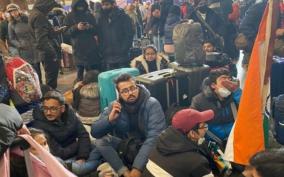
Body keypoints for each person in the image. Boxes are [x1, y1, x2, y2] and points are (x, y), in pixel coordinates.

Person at [91, 73, 166, 177]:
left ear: (138, 87)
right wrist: (109, 120)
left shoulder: (151, 104)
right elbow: (95, 132)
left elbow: (154, 138)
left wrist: (137, 169)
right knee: (100, 141)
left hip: (147, 148)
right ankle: (124, 172)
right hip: (127, 145)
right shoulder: (115, 106)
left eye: (133, 88)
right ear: (119, 94)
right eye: (125, 91)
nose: (130, 93)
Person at [31, 91, 100, 176]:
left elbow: (83, 134)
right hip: (62, 160)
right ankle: (100, 163)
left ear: (62, 108)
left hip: (78, 152)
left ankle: (98, 161)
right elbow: (59, 153)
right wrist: (78, 144)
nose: (48, 113)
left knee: (101, 143)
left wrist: (82, 157)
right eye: (45, 108)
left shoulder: (70, 114)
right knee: (78, 169)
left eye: (53, 109)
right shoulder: (40, 126)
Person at [142, 108, 215, 177]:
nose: (206, 129)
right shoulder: (197, 162)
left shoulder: (158, 146)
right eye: (204, 126)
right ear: (192, 133)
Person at [190, 69, 241, 142]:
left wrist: (237, 91)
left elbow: (248, 111)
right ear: (213, 85)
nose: (228, 84)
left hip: (234, 138)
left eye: (229, 80)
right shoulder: (198, 101)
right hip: (212, 141)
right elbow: (193, 124)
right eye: (223, 80)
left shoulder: (235, 96)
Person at [64, 0, 101, 81]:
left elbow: (96, 31)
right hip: (78, 50)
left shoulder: (89, 15)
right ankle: (79, 91)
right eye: (78, 6)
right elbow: (66, 33)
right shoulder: (69, 17)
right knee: (79, 76)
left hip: (91, 49)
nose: (81, 8)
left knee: (93, 75)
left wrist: (89, 27)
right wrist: (76, 27)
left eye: (82, 6)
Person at [29, 0, 62, 89]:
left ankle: (51, 95)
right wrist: (53, 54)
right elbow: (42, 40)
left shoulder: (34, 13)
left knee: (50, 77)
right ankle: (51, 97)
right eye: (50, 7)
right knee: (51, 79)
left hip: (44, 50)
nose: (50, 10)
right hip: (47, 52)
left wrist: (57, 31)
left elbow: (44, 34)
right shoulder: (39, 16)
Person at [97, 0, 134, 71]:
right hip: (107, 55)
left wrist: (124, 48)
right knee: (111, 79)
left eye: (107, 4)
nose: (104, 7)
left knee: (123, 78)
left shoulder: (123, 17)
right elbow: (100, 36)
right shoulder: (101, 19)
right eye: (103, 5)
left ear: (114, 4)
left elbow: (129, 34)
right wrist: (102, 49)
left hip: (122, 55)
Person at [7, 3, 41, 77]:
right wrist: (19, 45)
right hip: (24, 49)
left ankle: (41, 84)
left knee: (38, 66)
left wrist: (37, 40)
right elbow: (11, 38)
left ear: (18, 10)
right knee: (29, 68)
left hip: (34, 45)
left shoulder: (28, 18)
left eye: (15, 11)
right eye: (11, 12)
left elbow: (35, 30)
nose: (14, 13)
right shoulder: (11, 24)